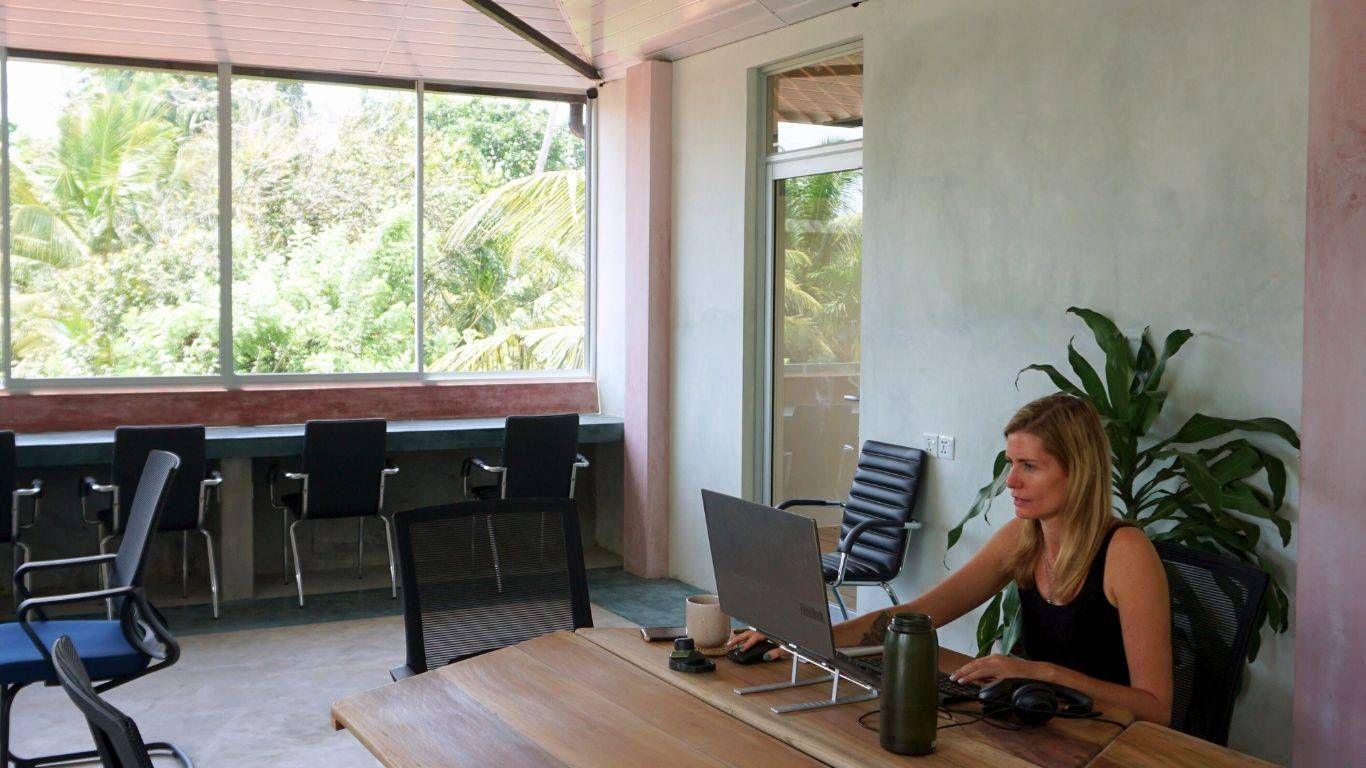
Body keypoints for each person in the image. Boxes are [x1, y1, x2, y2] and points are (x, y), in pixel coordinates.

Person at [727, 392, 1173, 724]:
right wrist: (804, 638)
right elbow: (918, 616)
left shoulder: (1126, 555)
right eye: (1010, 463)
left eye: (1030, 466)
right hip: (1040, 724)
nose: (1010, 481)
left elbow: (1157, 708)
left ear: (1078, 473)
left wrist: (1040, 673)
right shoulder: (1023, 538)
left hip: (1110, 742)